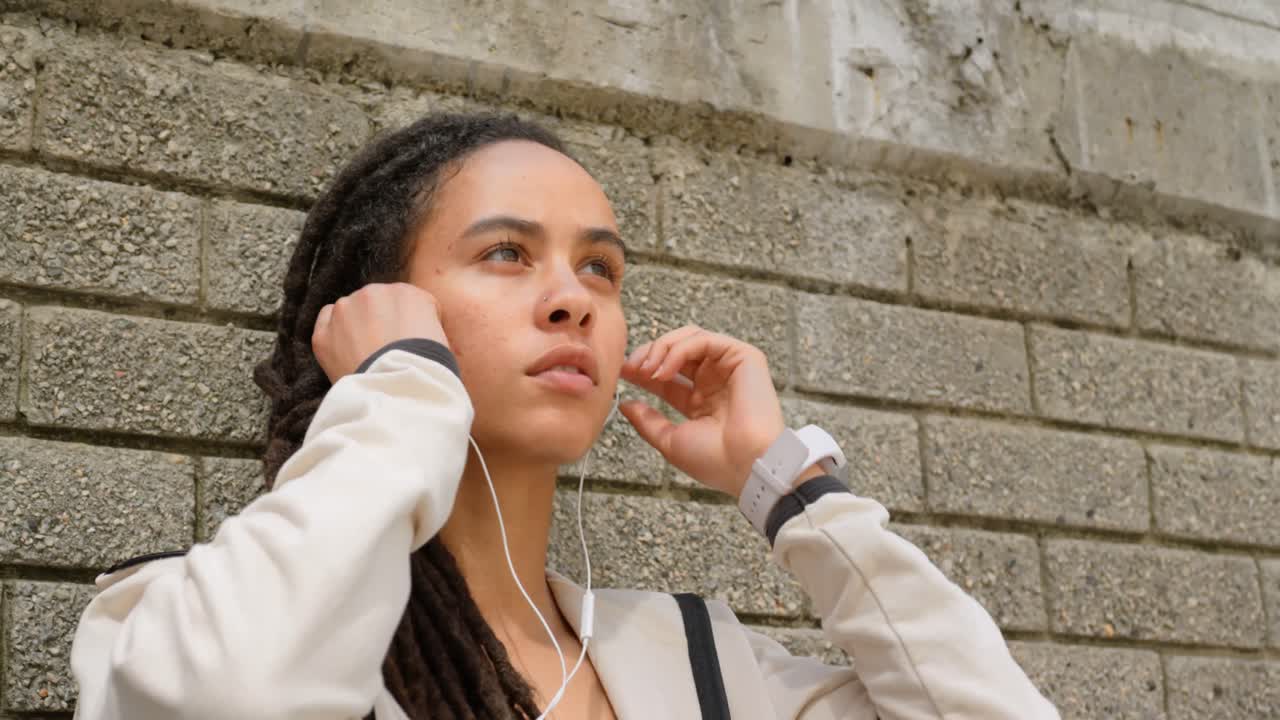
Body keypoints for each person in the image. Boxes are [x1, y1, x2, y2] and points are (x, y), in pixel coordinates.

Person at [68, 112, 1060, 719]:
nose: (572, 298)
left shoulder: (701, 665)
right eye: (505, 253)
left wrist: (790, 487)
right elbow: (232, 702)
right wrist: (397, 391)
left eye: (599, 266)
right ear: (378, 312)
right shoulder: (183, 619)